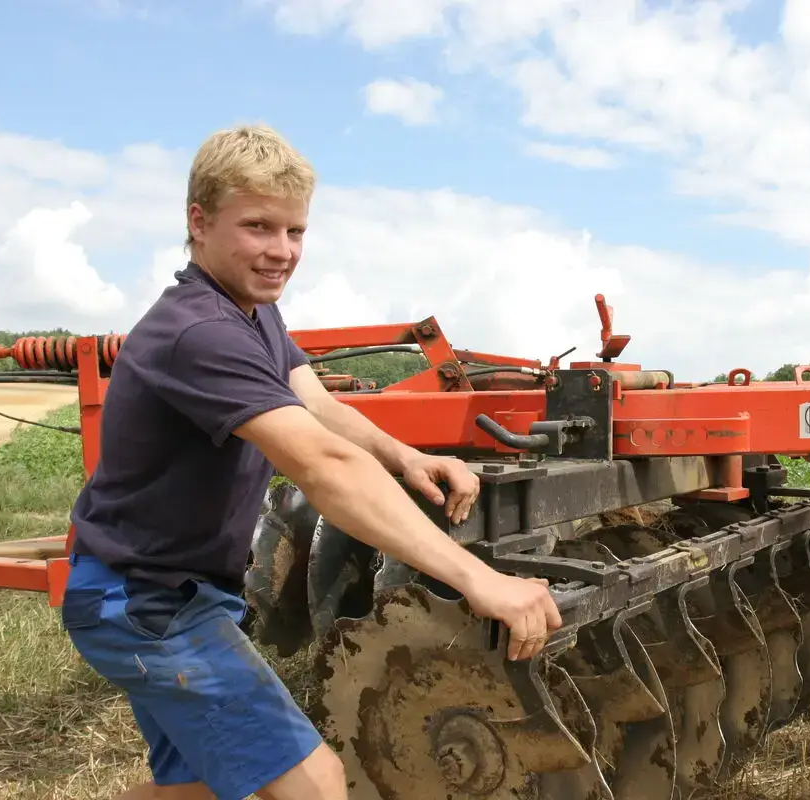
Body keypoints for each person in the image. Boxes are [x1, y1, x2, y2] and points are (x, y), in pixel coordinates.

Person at [59, 124, 564, 800]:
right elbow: (322, 464)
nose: (281, 251)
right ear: (199, 222)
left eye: (295, 232)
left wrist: (405, 456)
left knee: (203, 791)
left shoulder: (252, 314)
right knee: (316, 786)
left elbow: (319, 406)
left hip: (163, 591)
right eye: (259, 226)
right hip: (146, 603)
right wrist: (480, 580)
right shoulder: (200, 332)